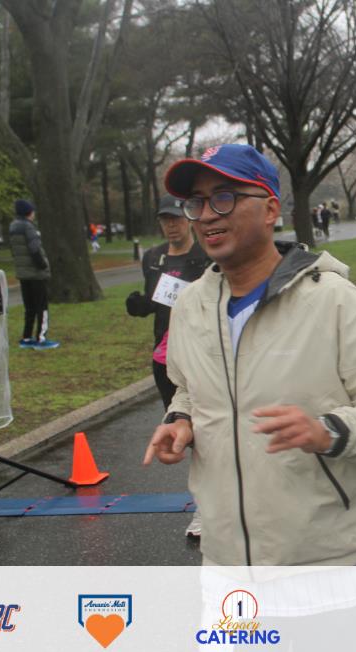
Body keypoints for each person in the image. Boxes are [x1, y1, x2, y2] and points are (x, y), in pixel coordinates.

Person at [143, 144, 356, 566]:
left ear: (270, 209)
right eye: (197, 203)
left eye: (224, 197)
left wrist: (326, 431)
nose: (208, 215)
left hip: (330, 559)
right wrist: (180, 421)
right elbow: (187, 390)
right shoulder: (189, 306)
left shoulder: (335, 300)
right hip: (226, 561)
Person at [126, 195, 211, 538]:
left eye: (176, 218)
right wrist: (139, 306)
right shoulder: (153, 257)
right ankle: (207, 504)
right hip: (165, 355)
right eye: (165, 219)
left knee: (207, 429)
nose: (171, 225)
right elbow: (156, 301)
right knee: (182, 427)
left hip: (203, 352)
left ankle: (209, 507)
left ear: (189, 219)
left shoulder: (205, 254)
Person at [9, 199, 59, 349]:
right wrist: (43, 265)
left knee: (29, 307)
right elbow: (35, 249)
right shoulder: (28, 227)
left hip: (23, 274)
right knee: (42, 306)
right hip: (36, 274)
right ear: (29, 212)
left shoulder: (13, 227)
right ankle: (41, 338)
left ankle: (26, 337)